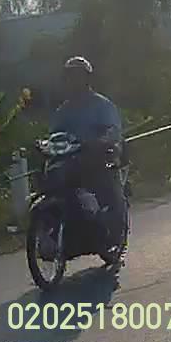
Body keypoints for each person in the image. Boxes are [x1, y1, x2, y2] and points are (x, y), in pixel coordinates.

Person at [49, 56, 126, 253]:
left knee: (106, 186)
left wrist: (101, 141)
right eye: (70, 76)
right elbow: (55, 134)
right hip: (71, 159)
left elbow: (113, 129)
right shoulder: (63, 110)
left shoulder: (102, 105)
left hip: (99, 157)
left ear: (87, 78)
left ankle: (113, 230)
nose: (74, 81)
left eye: (78, 76)